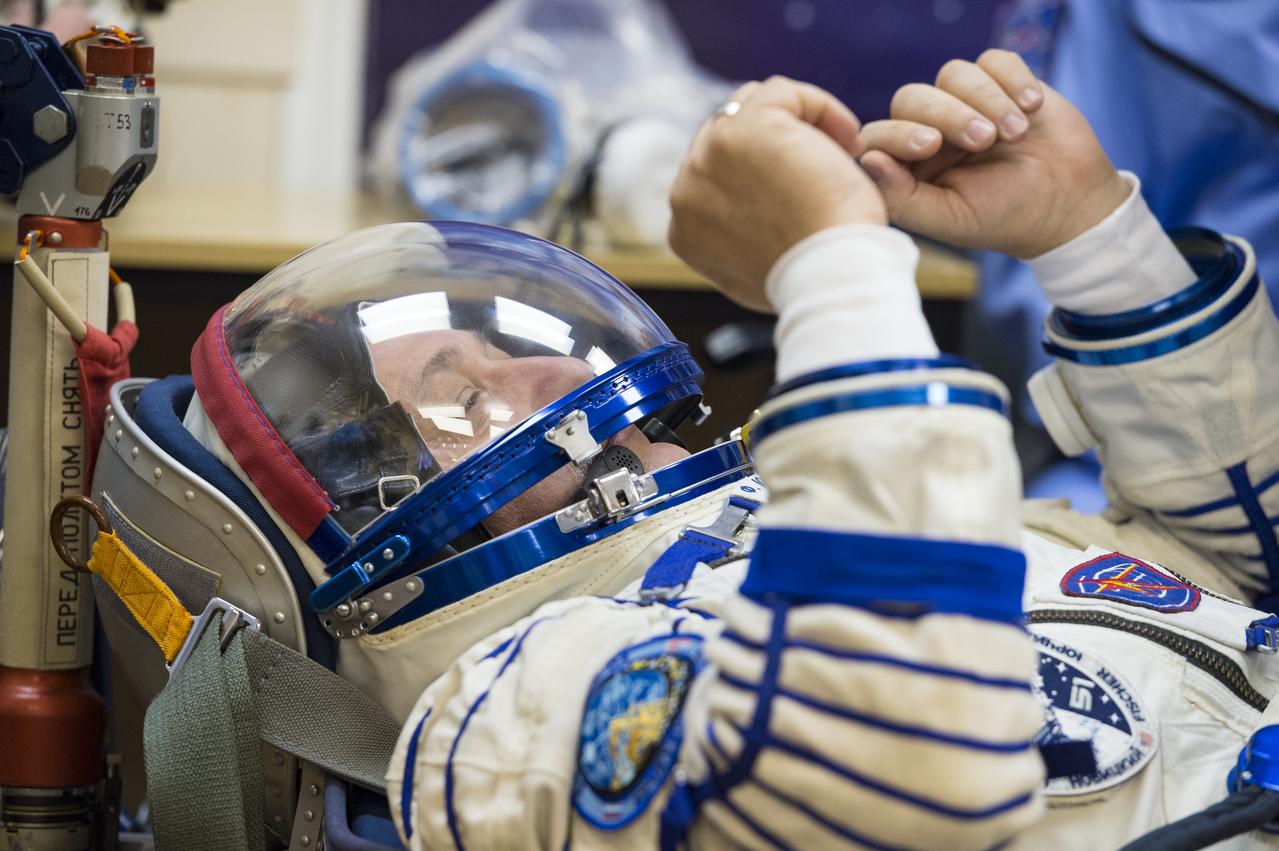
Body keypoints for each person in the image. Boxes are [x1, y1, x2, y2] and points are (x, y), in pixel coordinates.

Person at [89, 52, 1279, 850]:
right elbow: (907, 770)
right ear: (376, 542)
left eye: (506, 345)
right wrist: (832, 272)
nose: (554, 372)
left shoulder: (825, 521)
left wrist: (1089, 239)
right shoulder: (510, 717)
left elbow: (1240, 554)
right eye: (462, 393)